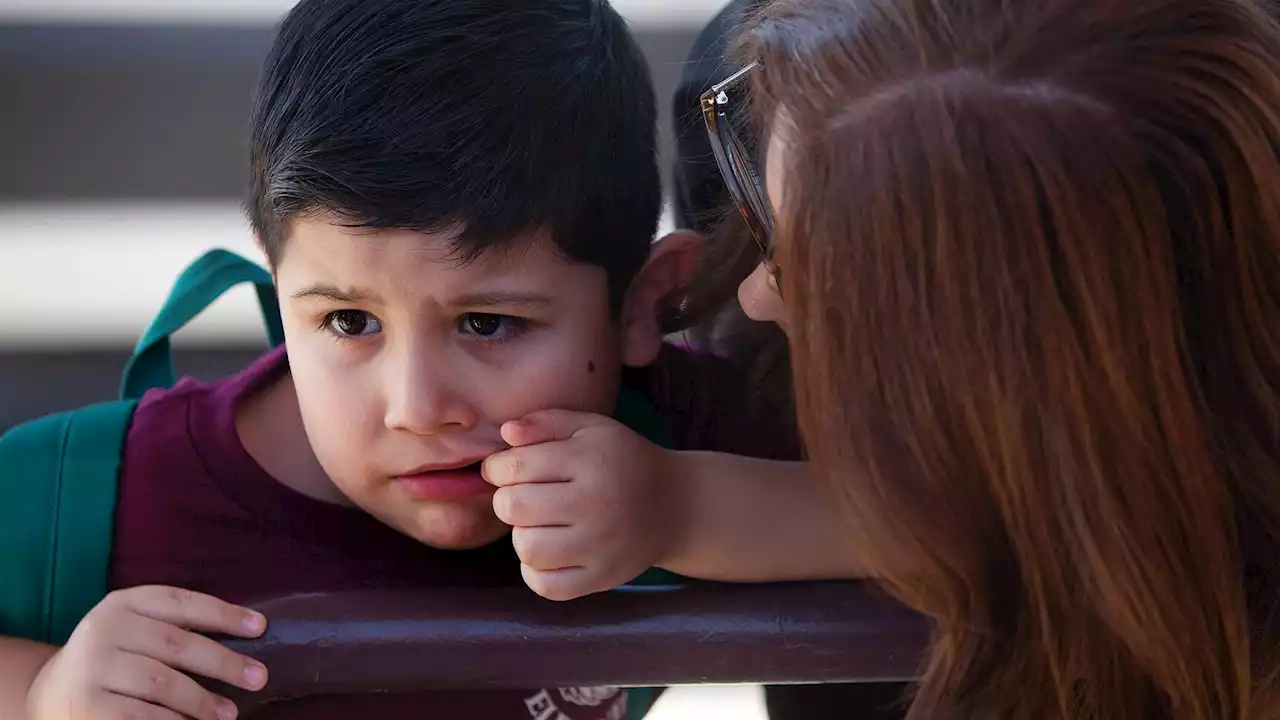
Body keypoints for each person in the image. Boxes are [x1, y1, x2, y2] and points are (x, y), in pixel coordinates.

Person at [0, 0, 799, 718]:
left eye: (487, 324)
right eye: (349, 321)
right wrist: (41, 693)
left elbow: (917, 525)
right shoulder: (76, 498)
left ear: (640, 306)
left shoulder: (674, 429)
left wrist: (682, 507)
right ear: (282, 288)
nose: (416, 407)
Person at [487, 0, 1280, 717]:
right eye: (763, 212)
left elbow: (987, 522)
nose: (754, 298)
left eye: (815, 282)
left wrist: (678, 506)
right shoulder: (742, 85)